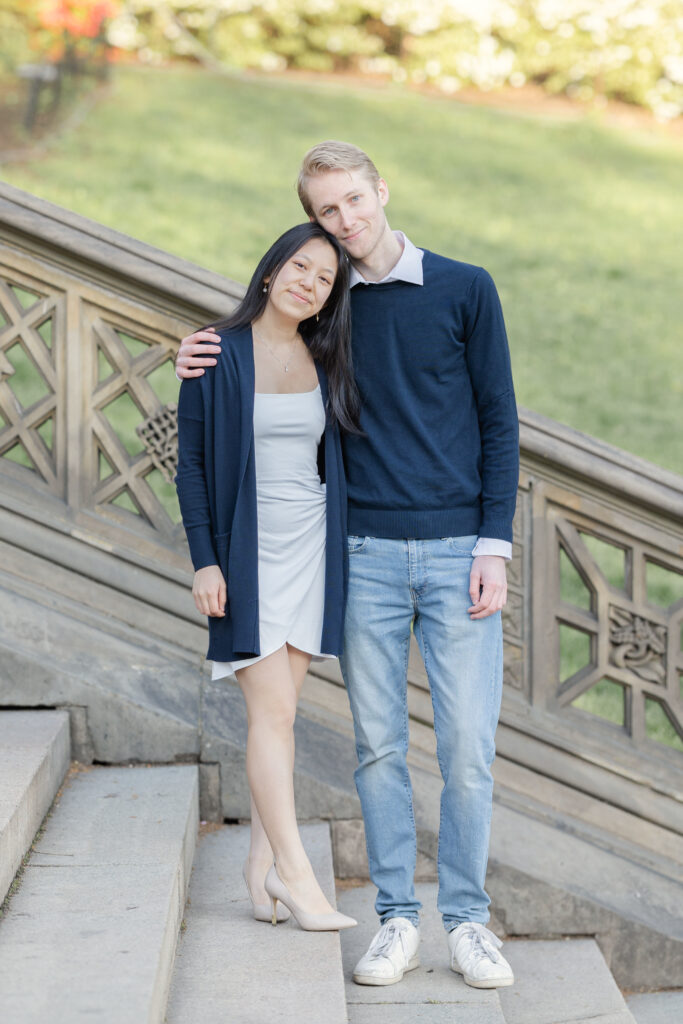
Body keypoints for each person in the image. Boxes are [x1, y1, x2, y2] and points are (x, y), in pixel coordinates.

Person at [176, 142, 519, 987]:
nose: (345, 222)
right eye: (326, 211)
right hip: (359, 554)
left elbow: (498, 421)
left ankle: (468, 922)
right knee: (377, 750)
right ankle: (398, 919)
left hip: (455, 555)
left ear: (380, 191)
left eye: (353, 201)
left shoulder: (464, 287)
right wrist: (187, 355)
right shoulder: (328, 311)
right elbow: (253, 359)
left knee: (469, 749)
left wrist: (492, 543)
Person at [175, 221, 360, 932]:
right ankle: (296, 875)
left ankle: (260, 871)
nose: (307, 283)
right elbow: (190, 464)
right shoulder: (213, 352)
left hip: (313, 550)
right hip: (248, 556)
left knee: (280, 724)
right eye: (300, 267)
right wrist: (204, 559)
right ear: (271, 268)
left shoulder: (327, 356)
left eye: (323, 279)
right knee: (272, 715)